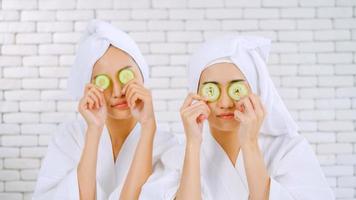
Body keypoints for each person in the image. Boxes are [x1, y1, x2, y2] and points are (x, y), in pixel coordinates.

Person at [140, 35, 335, 200]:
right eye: (212, 90)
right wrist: (193, 144)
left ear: (256, 91)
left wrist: (250, 144)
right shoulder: (177, 156)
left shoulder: (288, 150)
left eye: (236, 89)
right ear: (196, 93)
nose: (225, 103)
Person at [33, 20, 174, 200]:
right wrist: (94, 130)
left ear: (142, 74)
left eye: (125, 75)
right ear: (90, 86)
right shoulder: (69, 137)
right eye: (103, 81)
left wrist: (148, 128)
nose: (117, 92)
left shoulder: (165, 145)